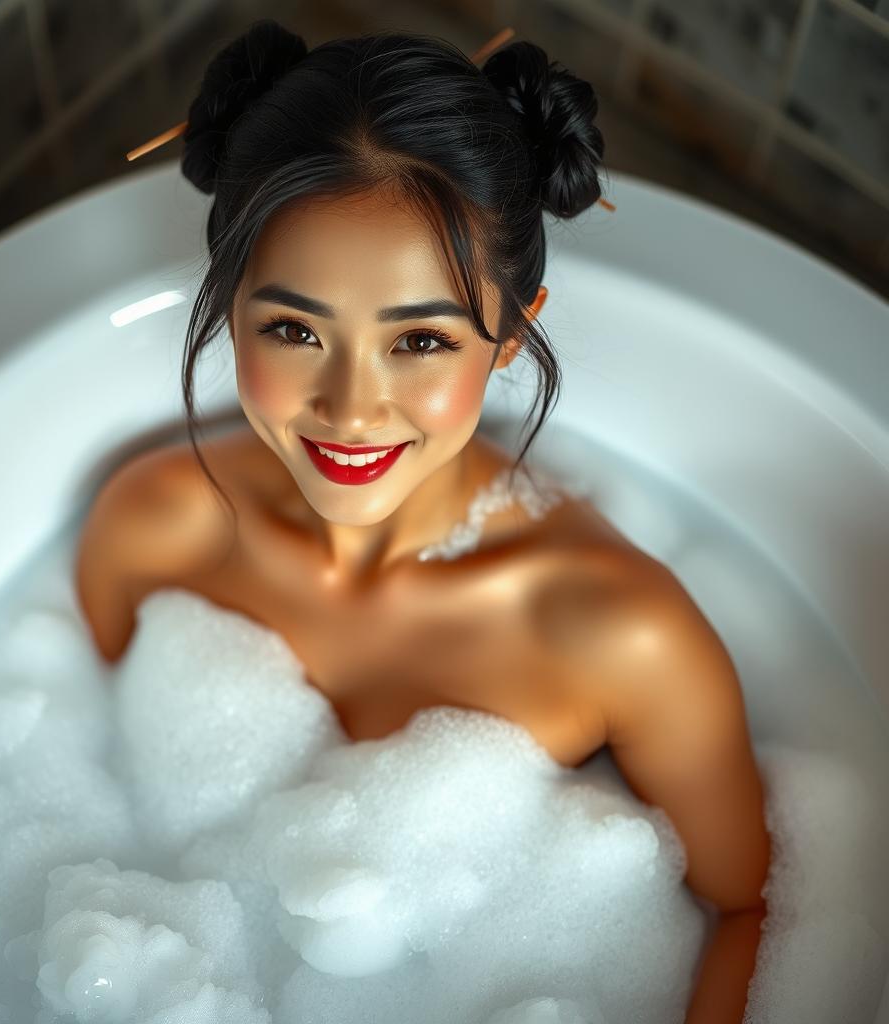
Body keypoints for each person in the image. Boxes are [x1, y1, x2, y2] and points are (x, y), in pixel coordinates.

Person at [75, 20, 771, 1023]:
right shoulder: (154, 526)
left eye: (420, 341)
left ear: (508, 335)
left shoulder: (618, 632)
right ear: (229, 308)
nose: (351, 408)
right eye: (293, 329)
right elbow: (90, 787)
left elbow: (750, 911)